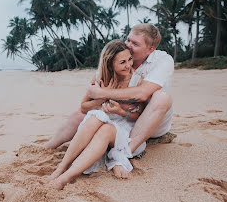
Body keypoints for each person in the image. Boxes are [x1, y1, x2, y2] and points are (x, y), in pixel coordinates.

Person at [44, 23, 174, 179]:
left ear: (150, 49)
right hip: (116, 118)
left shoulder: (162, 61)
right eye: (128, 40)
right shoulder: (116, 59)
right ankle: (50, 147)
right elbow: (84, 106)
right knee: (85, 116)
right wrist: (102, 99)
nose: (129, 46)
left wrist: (102, 93)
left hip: (149, 121)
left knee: (162, 97)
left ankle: (122, 155)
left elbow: (142, 94)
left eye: (135, 44)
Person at [48, 40, 146, 190]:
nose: (129, 65)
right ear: (110, 63)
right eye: (122, 62)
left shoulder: (137, 81)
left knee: (105, 128)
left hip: (127, 130)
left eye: (130, 59)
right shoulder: (100, 78)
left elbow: (139, 117)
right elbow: (83, 107)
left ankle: (67, 176)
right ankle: (62, 167)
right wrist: (102, 98)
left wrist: (120, 111)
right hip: (103, 122)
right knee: (96, 117)